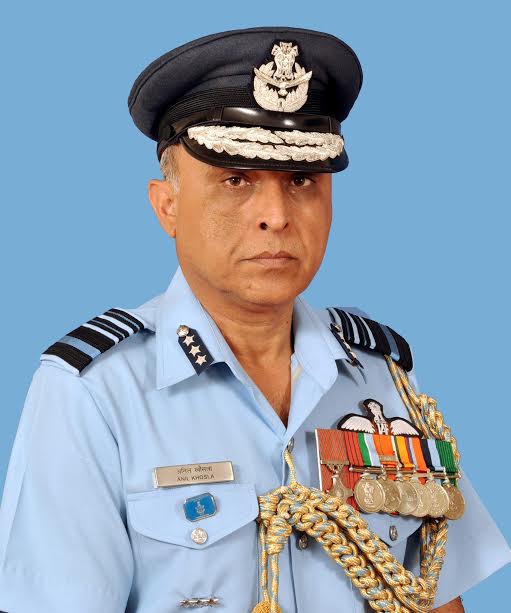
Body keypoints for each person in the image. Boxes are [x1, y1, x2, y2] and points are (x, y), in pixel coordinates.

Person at [0, 26, 509, 613]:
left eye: (302, 180)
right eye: (236, 180)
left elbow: (434, 596)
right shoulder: (94, 395)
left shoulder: (384, 378)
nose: (276, 215)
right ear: (167, 205)